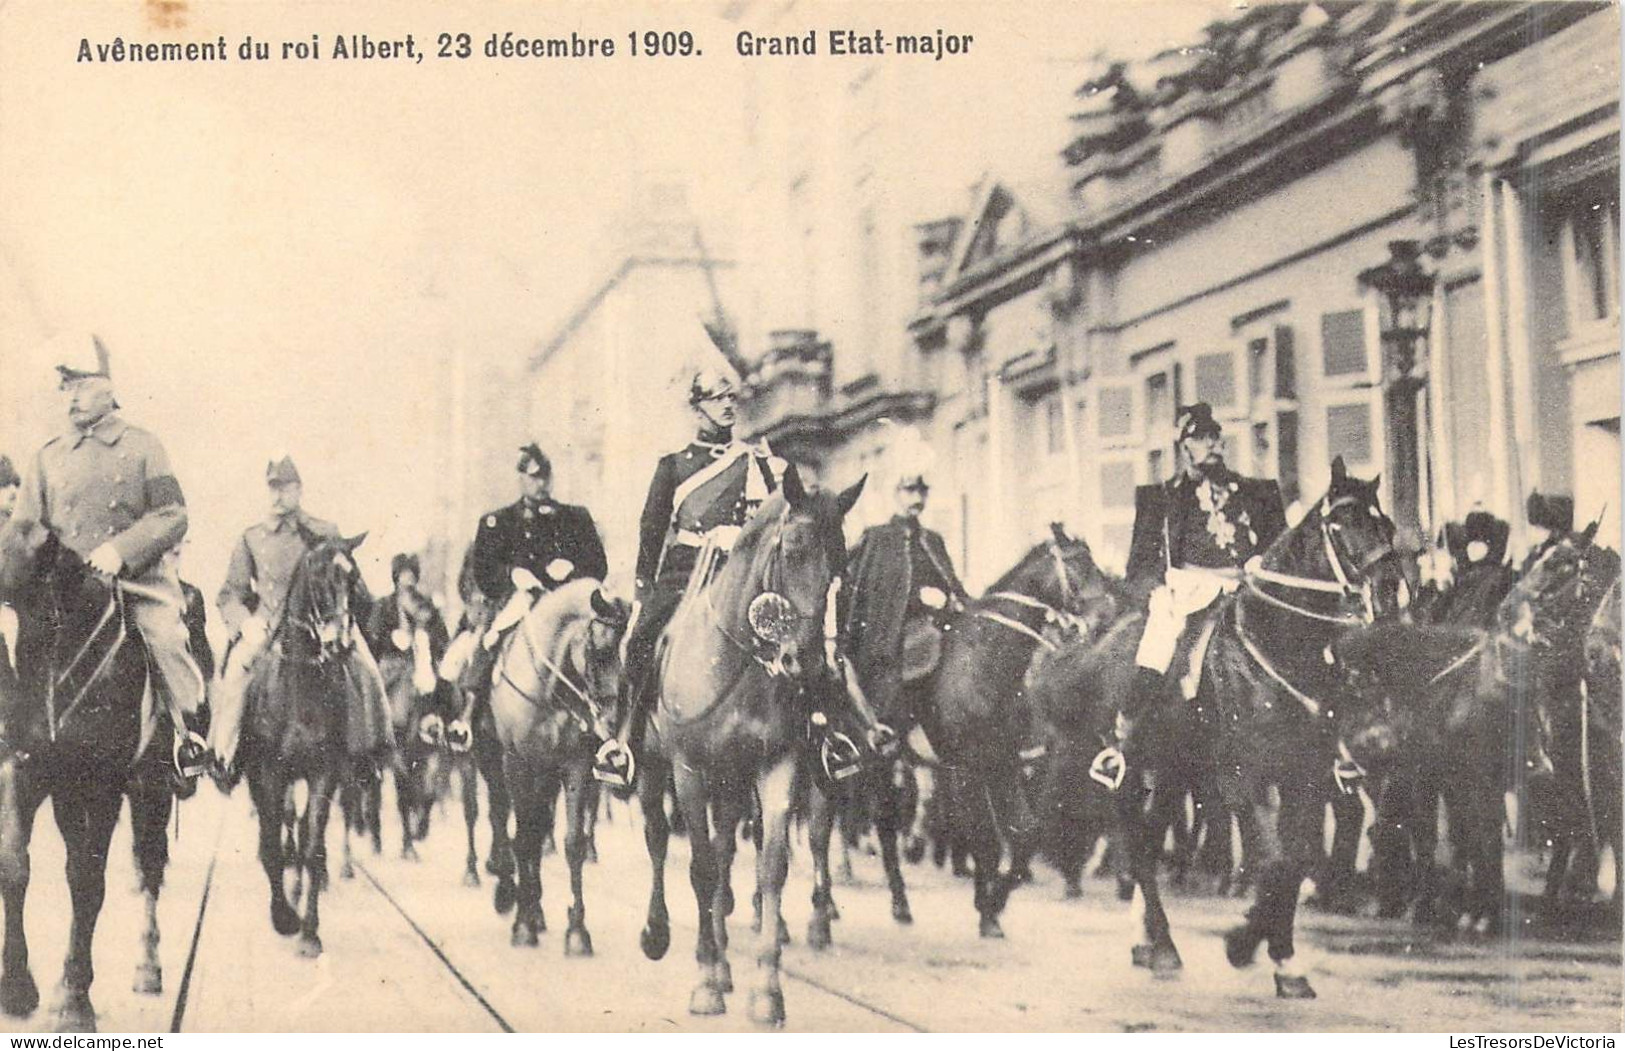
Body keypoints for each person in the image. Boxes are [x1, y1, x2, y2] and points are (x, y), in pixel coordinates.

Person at [593, 365, 870, 787]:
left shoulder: (762, 462)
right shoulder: (673, 467)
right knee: (642, 639)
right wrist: (643, 592)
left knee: (802, 639)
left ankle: (826, 737)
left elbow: (788, 515)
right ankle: (625, 740)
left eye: (729, 399)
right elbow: (652, 532)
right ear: (697, 409)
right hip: (687, 569)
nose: (726, 406)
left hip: (746, 573)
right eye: (716, 400)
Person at [11, 335, 209, 778]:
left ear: (107, 386)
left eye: (81, 384)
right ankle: (17, 742)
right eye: (67, 386)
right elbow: (24, 529)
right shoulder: (47, 457)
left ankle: (186, 738)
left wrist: (121, 551)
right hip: (63, 588)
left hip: (132, 583)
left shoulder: (143, 446)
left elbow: (172, 514)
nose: (72, 396)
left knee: (167, 637)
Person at [1093, 403, 1287, 787]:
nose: (1212, 444)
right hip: (1189, 593)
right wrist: (1158, 590)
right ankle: (1124, 739)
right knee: (1159, 644)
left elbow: (1280, 547)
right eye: (1200, 438)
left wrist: (1262, 564)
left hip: (1246, 589)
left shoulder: (1255, 492)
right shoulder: (1162, 498)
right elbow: (1140, 568)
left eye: (1215, 436)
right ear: (1184, 447)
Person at [209, 454, 391, 786]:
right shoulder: (252, 537)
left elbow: (352, 584)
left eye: (285, 488)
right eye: (272, 488)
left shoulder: (324, 532)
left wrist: (343, 611)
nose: (278, 496)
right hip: (266, 626)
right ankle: (224, 755)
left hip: (325, 624)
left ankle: (371, 754)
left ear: (299, 490)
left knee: (367, 670)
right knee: (236, 672)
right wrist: (244, 622)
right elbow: (228, 594)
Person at [465, 444, 608, 694]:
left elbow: (597, 565)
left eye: (545, 477)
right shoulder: (499, 522)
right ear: (521, 479)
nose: (541, 484)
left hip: (565, 603)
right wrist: (512, 575)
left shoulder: (575, 518)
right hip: (519, 600)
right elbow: (484, 572)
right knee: (490, 640)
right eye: (534, 478)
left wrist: (573, 571)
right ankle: (469, 714)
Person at [839, 473, 967, 744]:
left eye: (922, 492)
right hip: (885, 635)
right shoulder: (877, 538)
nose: (917, 499)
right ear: (896, 494)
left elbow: (951, 585)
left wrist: (944, 599)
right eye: (910, 491)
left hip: (932, 624)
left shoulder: (932, 540)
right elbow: (859, 589)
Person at [367, 552, 454, 742]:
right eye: (403, 576)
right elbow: (373, 637)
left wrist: (430, 643)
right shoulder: (384, 605)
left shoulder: (426, 604)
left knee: (444, 687)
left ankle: (443, 727)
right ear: (396, 578)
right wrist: (392, 639)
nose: (408, 581)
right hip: (394, 663)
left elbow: (441, 636)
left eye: (411, 576)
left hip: (423, 661)